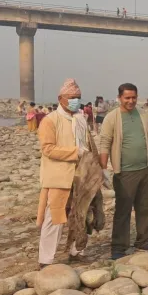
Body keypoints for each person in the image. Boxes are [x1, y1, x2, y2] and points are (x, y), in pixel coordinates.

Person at [37, 79, 104, 267]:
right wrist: (75, 152)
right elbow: (48, 149)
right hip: (60, 177)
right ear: (61, 99)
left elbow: (90, 145)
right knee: (55, 218)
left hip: (82, 175)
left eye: (78, 98)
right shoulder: (50, 121)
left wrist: (97, 168)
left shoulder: (81, 118)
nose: (75, 101)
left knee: (82, 215)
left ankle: (77, 251)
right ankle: (46, 260)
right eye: (72, 98)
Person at [99, 83, 148, 259]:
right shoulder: (112, 118)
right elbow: (105, 143)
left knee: (144, 207)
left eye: (133, 98)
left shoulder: (143, 115)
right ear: (119, 98)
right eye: (127, 98)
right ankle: (119, 246)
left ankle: (143, 241)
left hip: (145, 168)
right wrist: (103, 168)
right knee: (123, 210)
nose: (130, 101)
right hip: (125, 172)